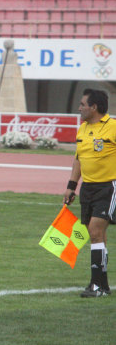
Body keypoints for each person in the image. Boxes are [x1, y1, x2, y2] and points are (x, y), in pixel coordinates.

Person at [63, 88, 115, 297]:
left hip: (109, 187)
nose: (79, 108)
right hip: (88, 188)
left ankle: (96, 284)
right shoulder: (82, 129)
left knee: (95, 230)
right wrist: (71, 186)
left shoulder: (112, 127)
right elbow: (78, 159)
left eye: (83, 104)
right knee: (97, 235)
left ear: (94, 107)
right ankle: (102, 285)